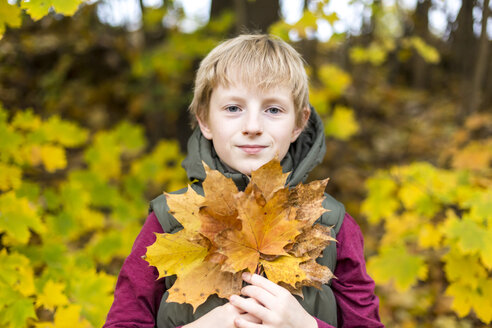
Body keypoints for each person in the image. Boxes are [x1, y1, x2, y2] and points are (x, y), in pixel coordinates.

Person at [103, 34, 383, 328]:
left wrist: (307, 326)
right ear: (205, 120)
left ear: (299, 123)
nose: (252, 126)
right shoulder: (169, 220)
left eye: (273, 110)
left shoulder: (333, 224)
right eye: (233, 108)